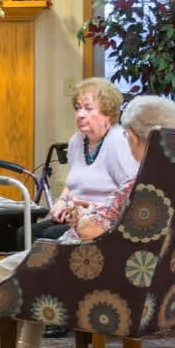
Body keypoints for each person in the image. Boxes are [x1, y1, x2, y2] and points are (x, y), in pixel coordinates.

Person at [0, 95, 175, 348]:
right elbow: (129, 223)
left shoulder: (141, 183)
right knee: (34, 258)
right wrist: (91, 211)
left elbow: (93, 232)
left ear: (132, 136)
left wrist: (80, 218)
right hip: (154, 279)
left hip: (103, 275)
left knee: (7, 271)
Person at [20, 77, 138, 244]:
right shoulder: (77, 140)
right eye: (78, 108)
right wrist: (61, 202)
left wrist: (92, 209)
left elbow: (130, 191)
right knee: (25, 233)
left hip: (99, 222)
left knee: (46, 239)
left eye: (89, 109)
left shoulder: (118, 141)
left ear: (108, 114)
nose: (81, 115)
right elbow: (73, 183)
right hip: (73, 214)